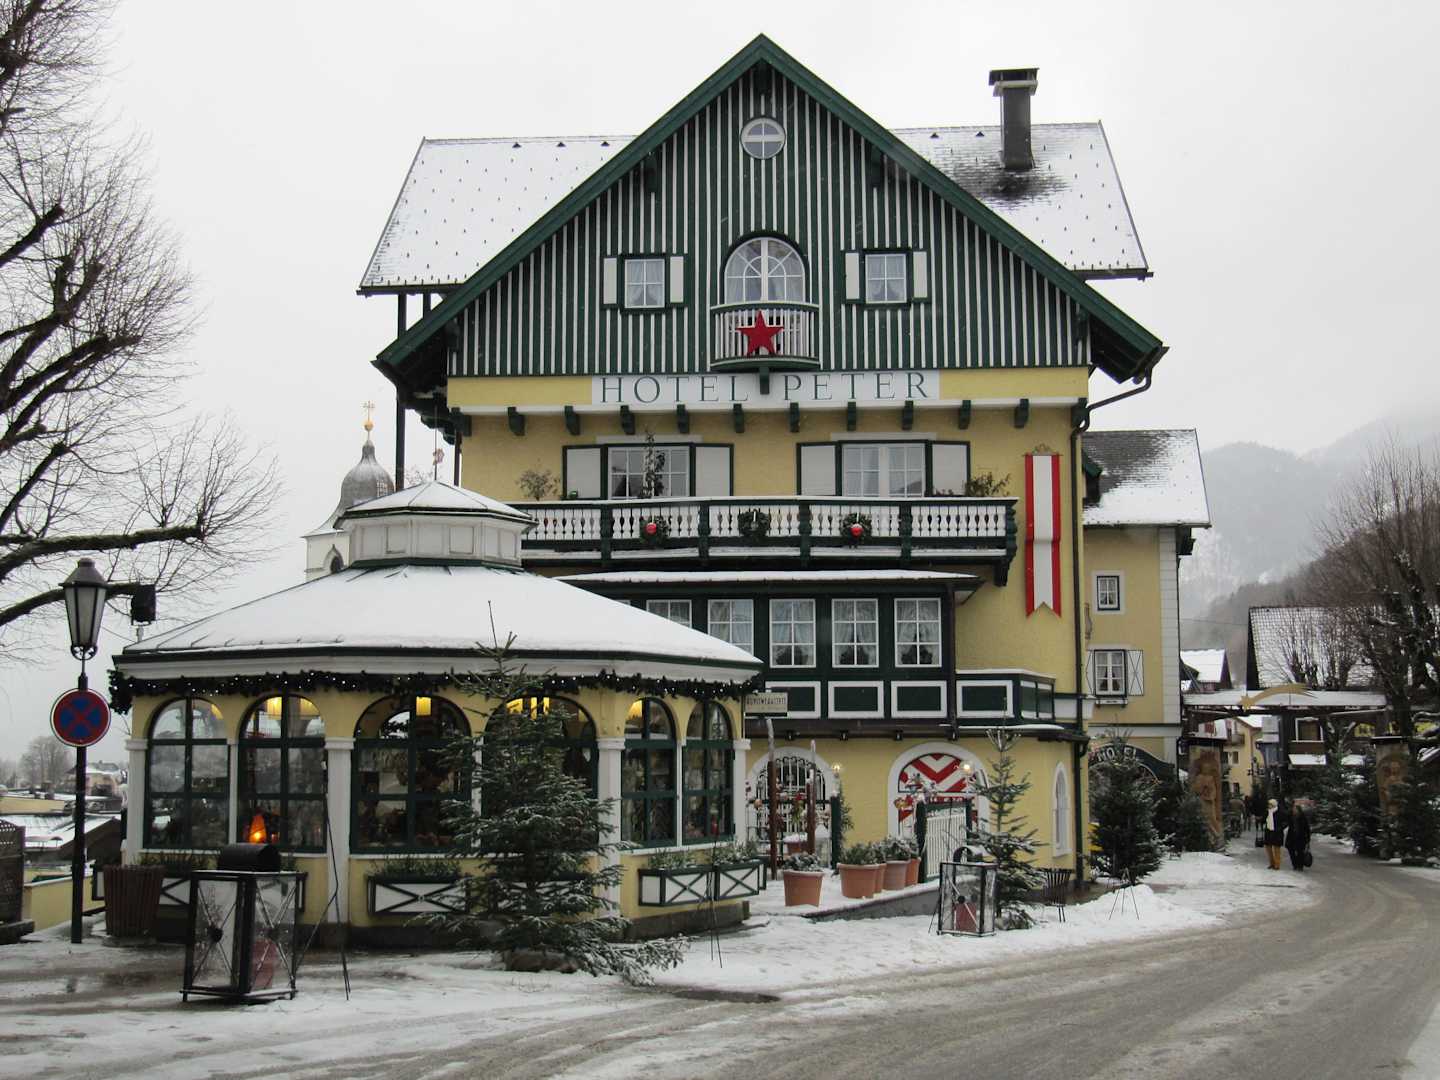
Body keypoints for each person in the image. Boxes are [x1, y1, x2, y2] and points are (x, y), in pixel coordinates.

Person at [1262, 798, 1289, 870]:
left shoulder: (1281, 812)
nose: (1268, 806)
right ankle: (1271, 863)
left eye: (1270, 804)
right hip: (1268, 831)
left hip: (1277, 833)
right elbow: (1263, 820)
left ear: (1273, 805)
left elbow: (1286, 821)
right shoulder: (1268, 812)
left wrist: (1280, 827)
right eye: (1268, 804)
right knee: (1268, 849)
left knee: (1276, 849)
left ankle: (1277, 864)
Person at [1287, 800, 1312, 871]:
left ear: (1298, 810)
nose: (1293, 810)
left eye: (1295, 809)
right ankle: (1295, 864)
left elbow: (1307, 829)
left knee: (1300, 852)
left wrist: (1308, 839)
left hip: (1301, 837)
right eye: (1293, 808)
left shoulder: (1303, 818)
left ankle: (1300, 866)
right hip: (1291, 837)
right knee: (1291, 850)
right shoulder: (1290, 817)